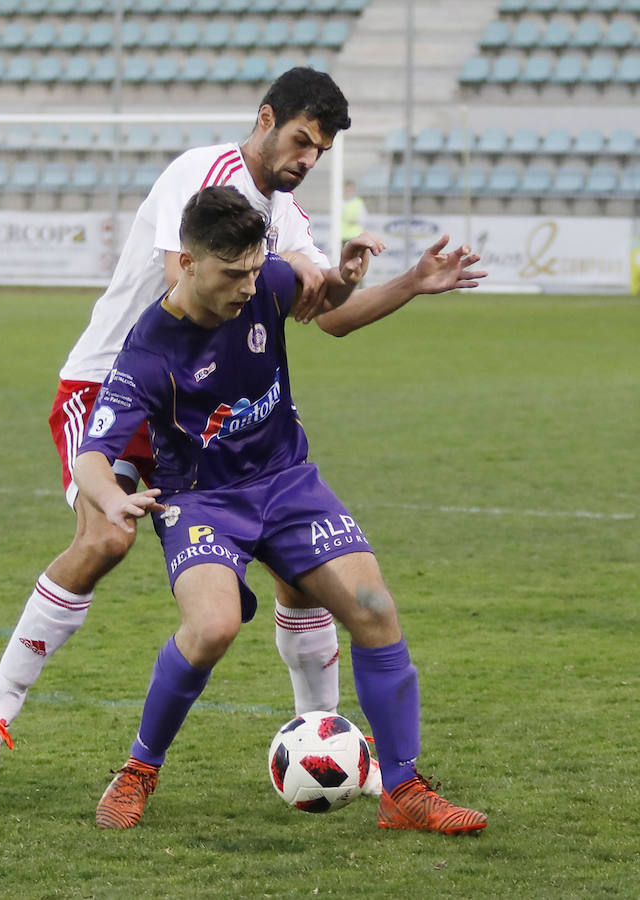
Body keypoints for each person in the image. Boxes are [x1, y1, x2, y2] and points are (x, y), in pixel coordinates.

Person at [0, 67, 486, 797]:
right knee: (105, 537)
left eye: (320, 151)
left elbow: (322, 313)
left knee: (300, 568)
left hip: (209, 406)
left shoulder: (282, 213)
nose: (307, 159)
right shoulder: (203, 175)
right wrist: (295, 282)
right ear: (266, 119)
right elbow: (192, 284)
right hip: (114, 380)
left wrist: (392, 282)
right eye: (301, 140)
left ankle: (321, 735)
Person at [76, 185, 488, 834]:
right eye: (232, 273)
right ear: (186, 264)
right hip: (202, 500)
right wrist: (112, 499)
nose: (247, 285)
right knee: (212, 628)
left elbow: (331, 308)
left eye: (253, 268)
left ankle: (403, 789)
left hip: (286, 481)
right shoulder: (150, 350)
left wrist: (374, 280)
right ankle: (138, 770)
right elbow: (91, 457)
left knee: (375, 609)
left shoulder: (267, 277)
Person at [340, 178, 368, 259]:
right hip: (342, 237)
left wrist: (355, 220)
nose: (348, 191)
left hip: (355, 237)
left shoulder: (359, 202)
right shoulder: (339, 202)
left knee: (356, 259)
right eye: (346, 189)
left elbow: (364, 218)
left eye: (350, 189)